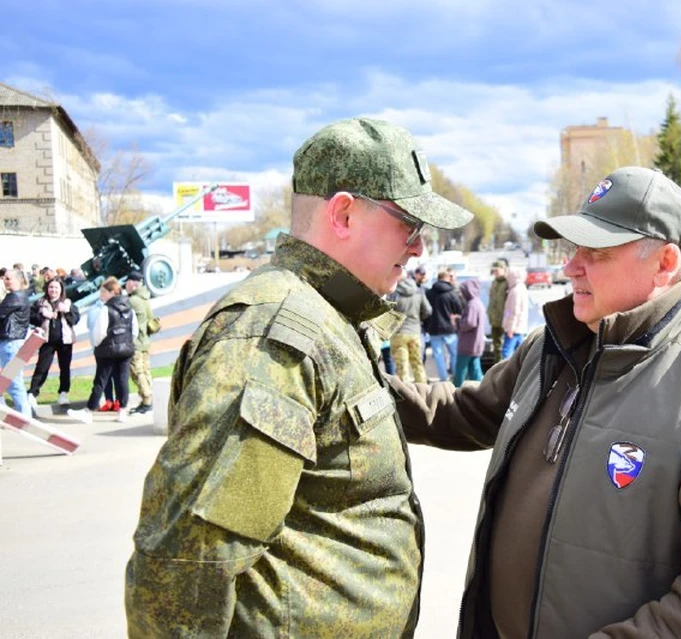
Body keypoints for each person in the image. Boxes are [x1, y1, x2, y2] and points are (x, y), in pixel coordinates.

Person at [389, 167, 681, 638]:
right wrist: (359, 383)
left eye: (596, 252)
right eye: (574, 249)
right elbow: (459, 413)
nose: (571, 267)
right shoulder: (549, 347)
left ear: (665, 262)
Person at [125, 116, 473, 637]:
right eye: (410, 224)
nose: (419, 246)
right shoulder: (274, 334)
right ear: (344, 213)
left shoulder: (327, 317)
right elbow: (187, 556)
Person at [70, 277, 138, 423]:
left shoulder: (106, 309)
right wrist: (128, 342)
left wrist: (96, 345)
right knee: (122, 380)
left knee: (100, 380)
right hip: (126, 349)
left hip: (108, 349)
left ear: (112, 292)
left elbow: (99, 331)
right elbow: (134, 330)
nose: (101, 294)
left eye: (103, 291)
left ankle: (90, 410)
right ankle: (123, 411)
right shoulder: (129, 308)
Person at [27, 277, 81, 408]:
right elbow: (31, 317)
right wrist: (43, 315)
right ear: (47, 289)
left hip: (65, 341)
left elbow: (75, 319)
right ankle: (33, 393)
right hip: (46, 340)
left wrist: (66, 311)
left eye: (56, 287)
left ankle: (63, 393)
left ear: (61, 289)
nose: (53, 290)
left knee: (65, 368)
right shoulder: (40, 302)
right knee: (42, 367)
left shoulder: (67, 302)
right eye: (51, 287)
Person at [0, 268, 32, 416]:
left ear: (18, 280)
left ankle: (24, 417)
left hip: (10, 344)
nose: (5, 281)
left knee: (13, 381)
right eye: (4, 278)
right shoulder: (19, 296)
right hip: (11, 343)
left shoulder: (15, 297)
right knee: (10, 380)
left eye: (8, 278)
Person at [390, 273, 432, 383]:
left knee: (402, 367)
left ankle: (407, 396)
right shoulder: (419, 292)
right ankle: (423, 391)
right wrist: (419, 319)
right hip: (415, 331)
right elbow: (428, 310)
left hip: (398, 332)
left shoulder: (394, 293)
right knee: (418, 364)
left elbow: (388, 312)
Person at [125, 271, 156, 415]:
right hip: (145, 341)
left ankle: (147, 401)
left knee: (137, 373)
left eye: (127, 282)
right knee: (145, 371)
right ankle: (148, 400)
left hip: (136, 342)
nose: (126, 285)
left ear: (133, 283)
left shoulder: (133, 301)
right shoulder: (145, 299)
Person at [425, 268, 463, 382]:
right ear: (447, 278)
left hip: (433, 328)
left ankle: (443, 378)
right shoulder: (451, 293)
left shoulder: (429, 293)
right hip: (450, 328)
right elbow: (459, 309)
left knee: (438, 355)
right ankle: (456, 376)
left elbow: (425, 310)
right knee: (454, 353)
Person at [453, 277, 485, 386]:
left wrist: (457, 322)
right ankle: (480, 391)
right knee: (475, 371)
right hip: (475, 344)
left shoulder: (472, 304)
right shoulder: (478, 302)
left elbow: (470, 323)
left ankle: (455, 393)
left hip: (468, 344)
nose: (462, 293)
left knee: (460, 371)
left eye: (463, 290)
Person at [500, 267, 529, 359]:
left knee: (506, 352)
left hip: (513, 328)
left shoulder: (515, 291)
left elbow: (514, 311)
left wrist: (510, 329)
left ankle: (507, 372)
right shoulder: (522, 288)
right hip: (519, 326)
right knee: (520, 352)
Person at [487, 259, 509, 364]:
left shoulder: (507, 283)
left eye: (497, 270)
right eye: (494, 270)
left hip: (504, 320)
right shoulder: (494, 282)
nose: (495, 272)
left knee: (503, 347)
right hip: (494, 319)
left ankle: (502, 368)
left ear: (504, 269)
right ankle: (497, 366)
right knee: (496, 346)